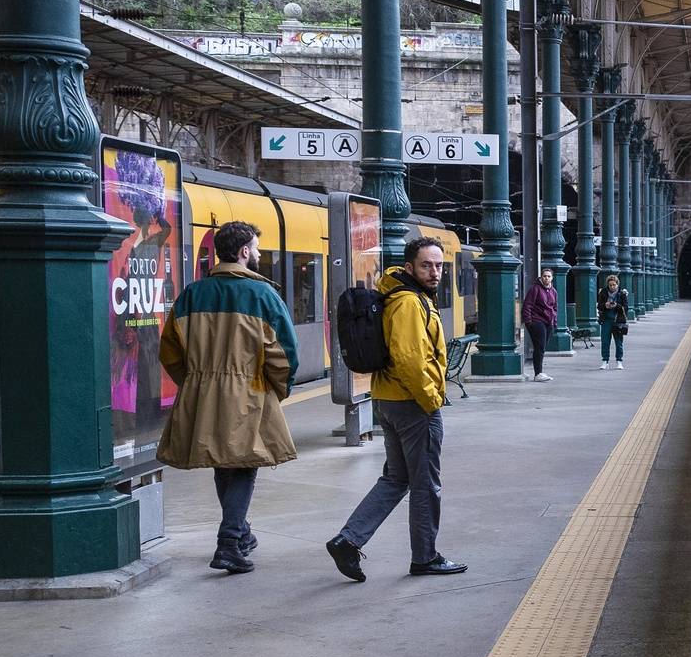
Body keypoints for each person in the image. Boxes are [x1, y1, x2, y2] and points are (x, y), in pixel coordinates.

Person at [157, 220, 297, 575]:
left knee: (224, 461)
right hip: (248, 390)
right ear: (244, 252)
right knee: (245, 464)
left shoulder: (192, 294)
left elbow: (170, 352)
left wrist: (195, 384)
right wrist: (278, 388)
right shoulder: (263, 296)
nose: (260, 255)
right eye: (257, 249)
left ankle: (241, 532)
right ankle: (229, 541)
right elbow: (284, 353)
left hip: (203, 392)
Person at [326, 237, 466, 581]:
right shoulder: (408, 303)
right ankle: (425, 557)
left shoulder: (400, 296)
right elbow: (409, 357)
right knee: (425, 484)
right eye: (426, 266)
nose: (434, 273)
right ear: (409, 268)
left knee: (397, 478)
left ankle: (348, 540)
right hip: (412, 404)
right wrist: (431, 398)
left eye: (438, 266)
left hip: (390, 400)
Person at [523, 266, 559, 382]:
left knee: (542, 347)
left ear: (552, 278)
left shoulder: (553, 291)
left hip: (549, 322)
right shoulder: (535, 289)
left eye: (549, 276)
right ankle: (538, 373)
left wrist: (554, 322)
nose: (546, 278)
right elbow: (527, 305)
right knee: (539, 347)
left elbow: (555, 308)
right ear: (541, 277)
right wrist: (529, 322)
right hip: (537, 321)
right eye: (544, 276)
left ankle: (539, 373)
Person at [597, 273, 630, 370]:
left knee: (619, 342)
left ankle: (619, 361)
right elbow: (599, 306)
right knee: (605, 342)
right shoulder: (603, 292)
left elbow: (626, 307)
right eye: (610, 285)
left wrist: (616, 306)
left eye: (614, 285)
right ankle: (605, 361)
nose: (612, 287)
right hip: (606, 320)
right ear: (608, 284)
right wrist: (605, 305)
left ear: (617, 284)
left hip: (618, 321)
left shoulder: (622, 294)